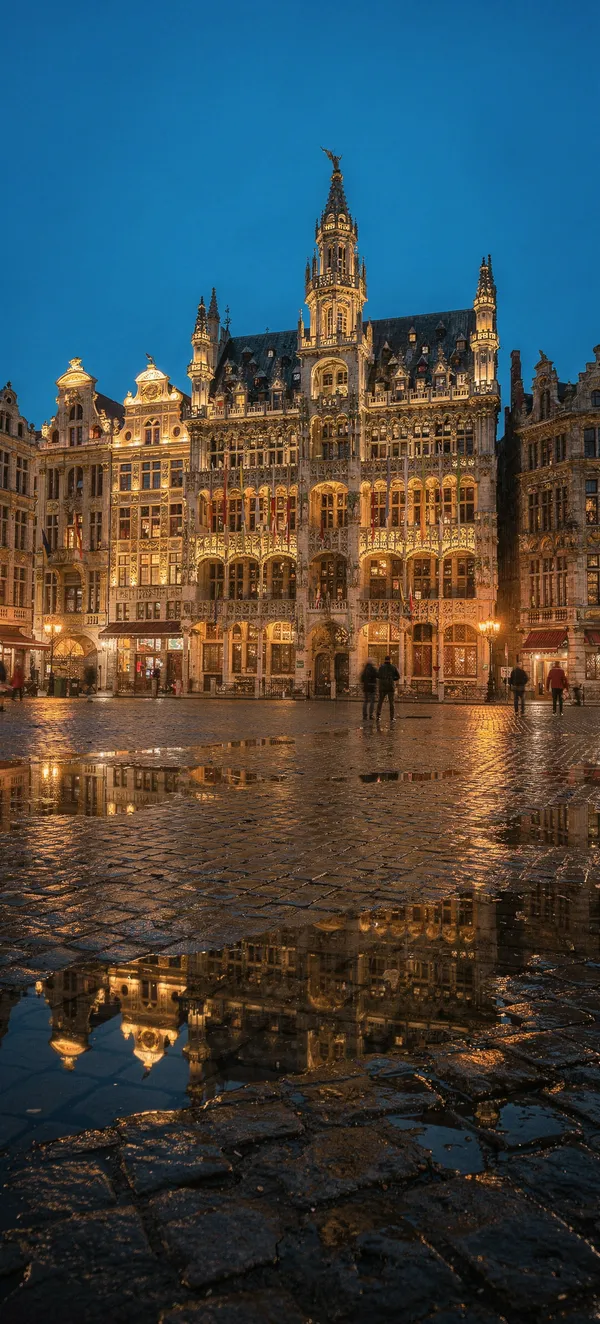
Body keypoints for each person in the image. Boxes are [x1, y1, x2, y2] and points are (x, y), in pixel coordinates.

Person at [376, 655, 400, 723]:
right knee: (391, 703)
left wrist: (383, 679)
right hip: (390, 687)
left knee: (380, 702)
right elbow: (398, 676)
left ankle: (378, 716)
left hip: (382, 687)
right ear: (390, 660)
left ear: (384, 660)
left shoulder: (381, 667)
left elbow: (378, 676)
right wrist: (392, 679)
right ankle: (392, 717)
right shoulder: (393, 667)